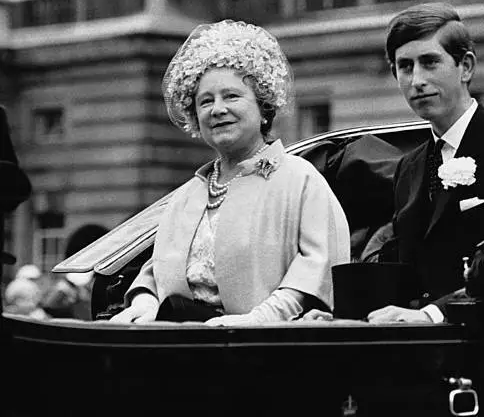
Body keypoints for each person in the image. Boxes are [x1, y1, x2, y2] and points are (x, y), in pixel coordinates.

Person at [306, 2, 484, 324]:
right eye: (405, 67)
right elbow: (403, 270)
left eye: (429, 63)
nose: (417, 80)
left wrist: (432, 315)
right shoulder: (409, 168)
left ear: (466, 67)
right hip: (424, 348)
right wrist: (343, 315)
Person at [110, 20, 350, 325]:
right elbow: (156, 268)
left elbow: (319, 266)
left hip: (265, 349)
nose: (217, 109)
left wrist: (258, 320)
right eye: (205, 101)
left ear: (263, 106)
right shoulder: (187, 195)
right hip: (179, 342)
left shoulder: (300, 179)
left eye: (232, 96)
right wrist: (145, 300)